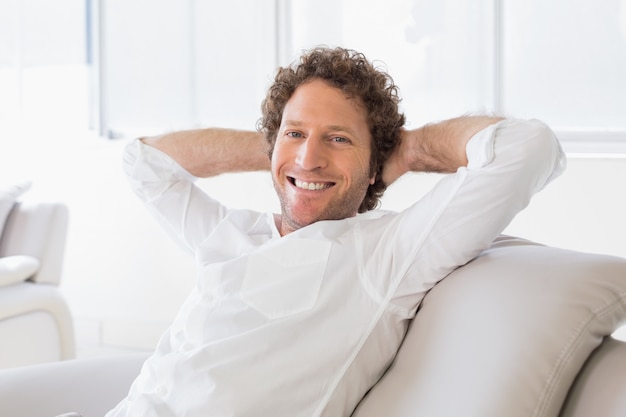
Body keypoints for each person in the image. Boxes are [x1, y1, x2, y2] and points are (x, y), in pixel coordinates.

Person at [106, 46, 565, 417]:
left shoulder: (383, 254)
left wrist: (408, 149)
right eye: (295, 134)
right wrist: (279, 147)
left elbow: (529, 148)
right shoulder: (229, 234)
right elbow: (142, 164)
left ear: (373, 168)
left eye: (340, 138)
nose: (309, 159)